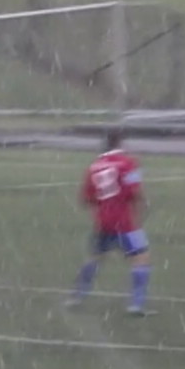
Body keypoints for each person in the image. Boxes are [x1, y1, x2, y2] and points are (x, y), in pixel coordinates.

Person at [68, 130, 153, 316]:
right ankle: (136, 305)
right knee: (141, 258)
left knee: (95, 258)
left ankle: (77, 296)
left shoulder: (94, 167)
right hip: (126, 222)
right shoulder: (129, 164)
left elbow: (85, 200)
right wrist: (144, 206)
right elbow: (135, 191)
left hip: (103, 222)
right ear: (120, 144)